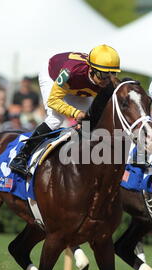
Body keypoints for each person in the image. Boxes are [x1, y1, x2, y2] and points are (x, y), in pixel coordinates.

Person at [9, 44, 121, 176]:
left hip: (78, 87)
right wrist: (75, 113)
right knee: (56, 119)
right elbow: (53, 101)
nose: (107, 80)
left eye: (111, 74)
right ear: (91, 69)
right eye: (103, 75)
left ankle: (83, 161)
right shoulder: (70, 71)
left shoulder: (108, 82)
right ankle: (22, 156)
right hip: (52, 76)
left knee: (90, 124)